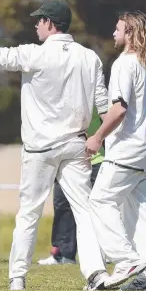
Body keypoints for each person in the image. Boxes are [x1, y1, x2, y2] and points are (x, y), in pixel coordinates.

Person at [0, 0, 110, 291]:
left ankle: (17, 277)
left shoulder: (34, 54)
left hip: (40, 149)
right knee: (85, 211)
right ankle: (96, 273)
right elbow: (104, 108)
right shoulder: (89, 57)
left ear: (50, 24)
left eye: (38, 21)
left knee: (29, 212)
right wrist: (101, 139)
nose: (35, 26)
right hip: (77, 145)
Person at [85, 11, 146, 290]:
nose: (114, 34)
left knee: (99, 201)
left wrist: (97, 137)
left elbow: (119, 109)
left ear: (130, 33)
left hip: (127, 150)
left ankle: (124, 259)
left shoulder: (124, 64)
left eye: (118, 29)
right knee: (141, 210)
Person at [37, 108, 104, 266]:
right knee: (62, 204)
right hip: (67, 159)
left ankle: (102, 253)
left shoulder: (99, 94)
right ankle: (63, 253)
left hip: (97, 159)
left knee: (97, 208)